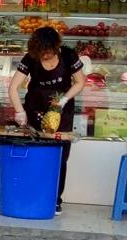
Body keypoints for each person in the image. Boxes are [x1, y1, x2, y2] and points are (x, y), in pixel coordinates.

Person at [7, 26, 86, 210]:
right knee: (34, 152)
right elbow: (13, 88)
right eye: (41, 52)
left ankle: (55, 199)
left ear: (56, 47)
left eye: (48, 52)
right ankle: (32, 194)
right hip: (35, 109)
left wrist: (64, 99)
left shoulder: (68, 55)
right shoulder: (30, 58)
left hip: (61, 111)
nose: (44, 56)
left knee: (59, 156)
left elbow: (80, 82)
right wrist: (20, 112)